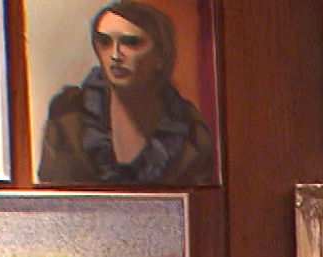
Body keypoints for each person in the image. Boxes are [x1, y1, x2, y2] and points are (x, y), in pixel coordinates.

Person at [38, 1, 216, 186]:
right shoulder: (68, 114)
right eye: (105, 42)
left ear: (161, 55)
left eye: (131, 43)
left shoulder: (190, 130)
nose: (115, 55)